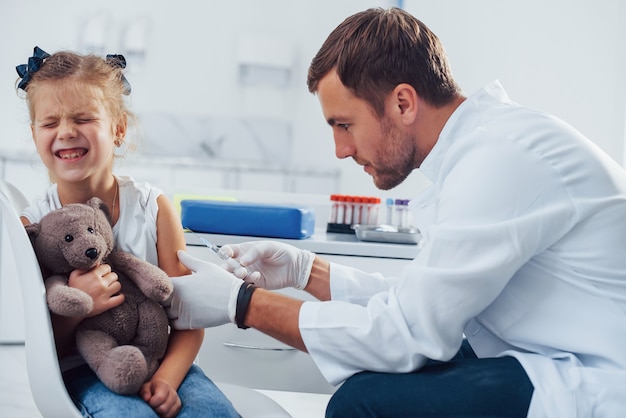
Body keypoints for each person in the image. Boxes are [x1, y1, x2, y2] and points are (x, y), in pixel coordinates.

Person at [165, 7, 626, 418]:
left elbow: (409, 331)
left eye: (344, 125)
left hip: (598, 383)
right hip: (546, 356)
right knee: (367, 384)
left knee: (363, 403)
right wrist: (308, 271)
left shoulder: (499, 160)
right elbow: (427, 298)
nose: (341, 150)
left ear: (403, 103)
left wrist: (240, 303)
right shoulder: (481, 149)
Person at [16, 47, 239, 418]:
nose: (66, 132)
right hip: (81, 371)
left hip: (162, 362)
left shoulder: (153, 207)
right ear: (35, 134)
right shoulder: (33, 225)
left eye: (83, 118)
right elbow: (38, 343)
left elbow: (188, 315)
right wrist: (79, 307)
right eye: (50, 123)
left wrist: (167, 379)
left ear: (117, 128)